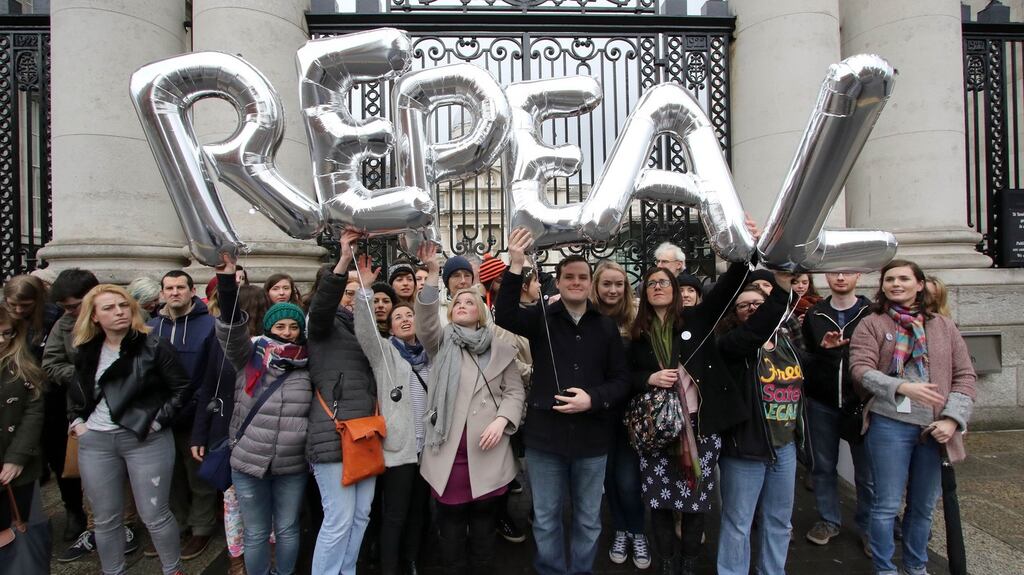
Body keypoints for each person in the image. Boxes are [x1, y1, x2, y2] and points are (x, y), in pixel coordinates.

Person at [495, 228, 631, 575]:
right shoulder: (542, 317)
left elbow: (622, 381)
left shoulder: (605, 327)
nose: (575, 281)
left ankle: (582, 570)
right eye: (568, 276)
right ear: (559, 280)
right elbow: (505, 314)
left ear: (590, 283)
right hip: (546, 440)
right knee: (545, 518)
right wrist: (516, 263)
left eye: (582, 277)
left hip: (591, 440)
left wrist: (593, 399)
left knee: (587, 520)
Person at [630, 255, 755, 574]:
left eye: (664, 283)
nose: (657, 288)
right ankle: (668, 565)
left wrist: (743, 253)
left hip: (700, 427)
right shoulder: (638, 334)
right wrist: (648, 377)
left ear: (675, 289)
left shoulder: (696, 319)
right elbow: (624, 375)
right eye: (651, 284)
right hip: (656, 430)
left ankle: (688, 566)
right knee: (659, 502)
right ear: (644, 293)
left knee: (695, 502)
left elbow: (729, 287)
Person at [850, 259, 976, 575]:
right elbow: (860, 370)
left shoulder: (943, 326)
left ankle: (916, 567)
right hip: (889, 423)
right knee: (886, 506)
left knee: (922, 508)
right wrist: (901, 385)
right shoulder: (872, 323)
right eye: (889, 279)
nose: (896, 284)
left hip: (934, 427)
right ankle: (885, 569)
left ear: (919, 284)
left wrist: (952, 419)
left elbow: (965, 375)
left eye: (904, 278)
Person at [413, 241, 525, 574]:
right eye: (457, 301)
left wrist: (502, 420)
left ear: (481, 309)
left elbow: (515, 393)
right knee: (450, 536)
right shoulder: (441, 342)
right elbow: (426, 322)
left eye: (469, 300)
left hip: (488, 456)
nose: (462, 303)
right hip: (447, 458)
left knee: (483, 536)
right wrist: (432, 275)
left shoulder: (501, 347)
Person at [67, 284, 191, 575]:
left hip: (145, 439)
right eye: (108, 308)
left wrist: (158, 421)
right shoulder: (86, 349)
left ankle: (172, 570)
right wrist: (77, 421)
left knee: (154, 514)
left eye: (123, 305)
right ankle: (113, 571)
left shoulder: (153, 344)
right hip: (96, 440)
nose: (119, 312)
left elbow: (182, 387)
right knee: (106, 518)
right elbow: (77, 390)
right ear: (94, 316)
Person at [213, 257, 312, 575]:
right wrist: (227, 281)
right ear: (269, 326)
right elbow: (230, 326)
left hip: (291, 463)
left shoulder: (309, 362)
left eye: (293, 326)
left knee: (286, 529)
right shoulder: (249, 354)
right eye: (281, 325)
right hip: (249, 461)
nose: (287, 331)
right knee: (255, 533)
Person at [716, 274, 820, 575]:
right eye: (744, 306)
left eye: (757, 304)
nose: (751, 309)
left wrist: (828, 352)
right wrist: (780, 289)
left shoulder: (786, 343)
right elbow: (755, 331)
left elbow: (805, 380)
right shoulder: (732, 345)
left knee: (779, 520)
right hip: (746, 446)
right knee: (738, 522)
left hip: (784, 445)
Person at [352, 244, 431, 575]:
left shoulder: (431, 355)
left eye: (408, 315)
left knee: (418, 512)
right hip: (398, 450)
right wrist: (365, 290)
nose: (404, 318)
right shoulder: (384, 353)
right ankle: (389, 567)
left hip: (427, 448)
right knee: (395, 513)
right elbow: (366, 331)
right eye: (398, 316)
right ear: (391, 325)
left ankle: (411, 561)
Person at [305, 230, 379, 575]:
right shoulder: (321, 325)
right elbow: (322, 307)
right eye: (347, 293)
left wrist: (365, 289)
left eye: (355, 293)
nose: (350, 299)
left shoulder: (360, 329)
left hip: (365, 433)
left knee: (361, 515)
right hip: (333, 435)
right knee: (338, 519)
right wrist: (344, 260)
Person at [191, 285, 267, 575]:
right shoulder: (218, 342)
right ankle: (237, 558)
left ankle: (265, 552)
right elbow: (207, 387)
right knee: (234, 500)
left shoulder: (272, 343)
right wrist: (200, 433)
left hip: (263, 431)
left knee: (262, 499)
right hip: (227, 431)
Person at [148, 270, 221, 559]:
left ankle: (201, 527)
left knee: (197, 474)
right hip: (159, 416)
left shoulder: (210, 326)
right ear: (162, 292)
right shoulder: (150, 327)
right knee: (169, 474)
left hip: (195, 412)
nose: (175, 292)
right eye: (169, 288)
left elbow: (211, 374)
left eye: (181, 287)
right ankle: (176, 524)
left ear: (193, 290)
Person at [801, 271, 874, 554]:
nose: (840, 277)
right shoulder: (815, 313)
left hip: (860, 401)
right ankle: (828, 519)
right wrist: (823, 354)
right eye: (834, 272)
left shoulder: (870, 312)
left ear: (858, 275)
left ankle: (868, 525)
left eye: (846, 272)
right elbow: (803, 353)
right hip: (822, 400)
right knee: (822, 466)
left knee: (866, 471)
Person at [590, 261, 649, 568]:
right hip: (597, 412)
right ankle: (622, 530)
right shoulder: (585, 316)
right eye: (607, 284)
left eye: (618, 284)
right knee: (609, 477)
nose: (613, 290)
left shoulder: (636, 317)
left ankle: (637, 530)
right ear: (596, 287)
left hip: (630, 413)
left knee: (627, 478)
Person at [0, 305, 45, 549]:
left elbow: (33, 411)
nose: (2, 340)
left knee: (19, 528)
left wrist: (16, 457)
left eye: (7, 333)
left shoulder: (22, 365)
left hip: (15, 462)